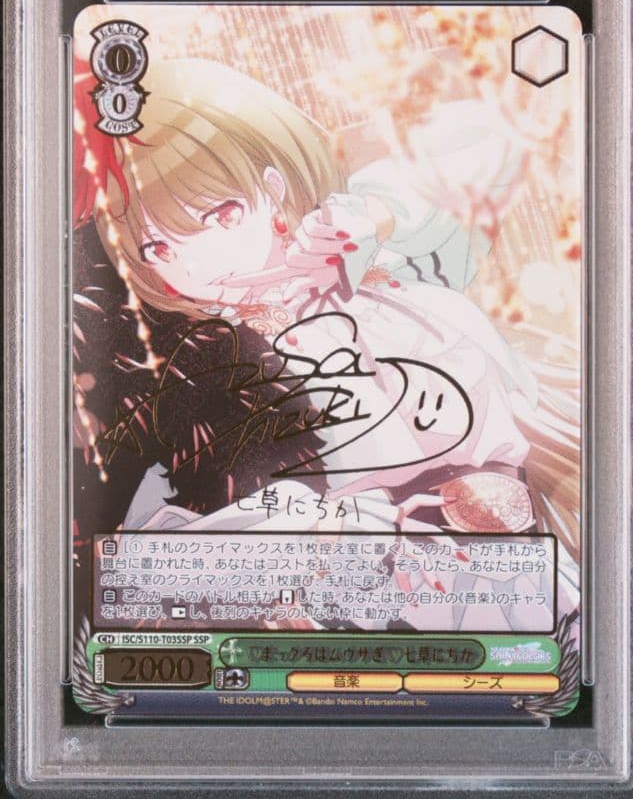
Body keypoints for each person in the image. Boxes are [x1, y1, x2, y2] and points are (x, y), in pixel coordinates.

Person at [75, 57, 580, 631]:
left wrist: (374, 215)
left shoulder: (380, 270)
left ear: (273, 188)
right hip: (348, 613)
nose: (195, 261)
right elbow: (138, 571)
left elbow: (493, 133)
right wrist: (317, 535)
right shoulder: (199, 365)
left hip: (504, 583)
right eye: (158, 249)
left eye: (220, 215)